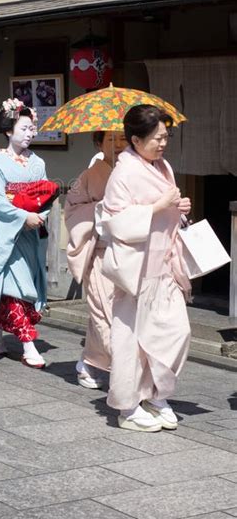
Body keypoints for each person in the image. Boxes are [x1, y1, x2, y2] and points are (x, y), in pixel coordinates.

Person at [96, 104, 192, 432]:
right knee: (133, 340)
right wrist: (156, 207)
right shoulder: (122, 173)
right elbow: (113, 222)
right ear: (135, 140)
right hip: (137, 271)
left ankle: (155, 394)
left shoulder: (163, 167)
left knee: (177, 332)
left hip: (164, 264)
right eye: (156, 138)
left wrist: (178, 209)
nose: (162, 144)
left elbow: (168, 213)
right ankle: (127, 406)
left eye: (165, 137)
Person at [0, 98, 51, 369]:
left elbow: (45, 195)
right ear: (9, 130)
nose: (29, 133)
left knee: (23, 290)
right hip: (6, 237)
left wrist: (40, 215)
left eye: (32, 128)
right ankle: (29, 345)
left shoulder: (38, 163)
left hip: (30, 235)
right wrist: (23, 216)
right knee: (14, 290)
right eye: (23, 128)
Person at [65, 130, 127, 389]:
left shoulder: (136, 172)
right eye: (111, 139)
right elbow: (73, 207)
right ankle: (124, 371)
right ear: (99, 143)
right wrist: (100, 207)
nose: (118, 144)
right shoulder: (89, 175)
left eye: (123, 138)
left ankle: (88, 364)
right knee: (104, 312)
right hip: (101, 252)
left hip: (129, 255)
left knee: (120, 315)